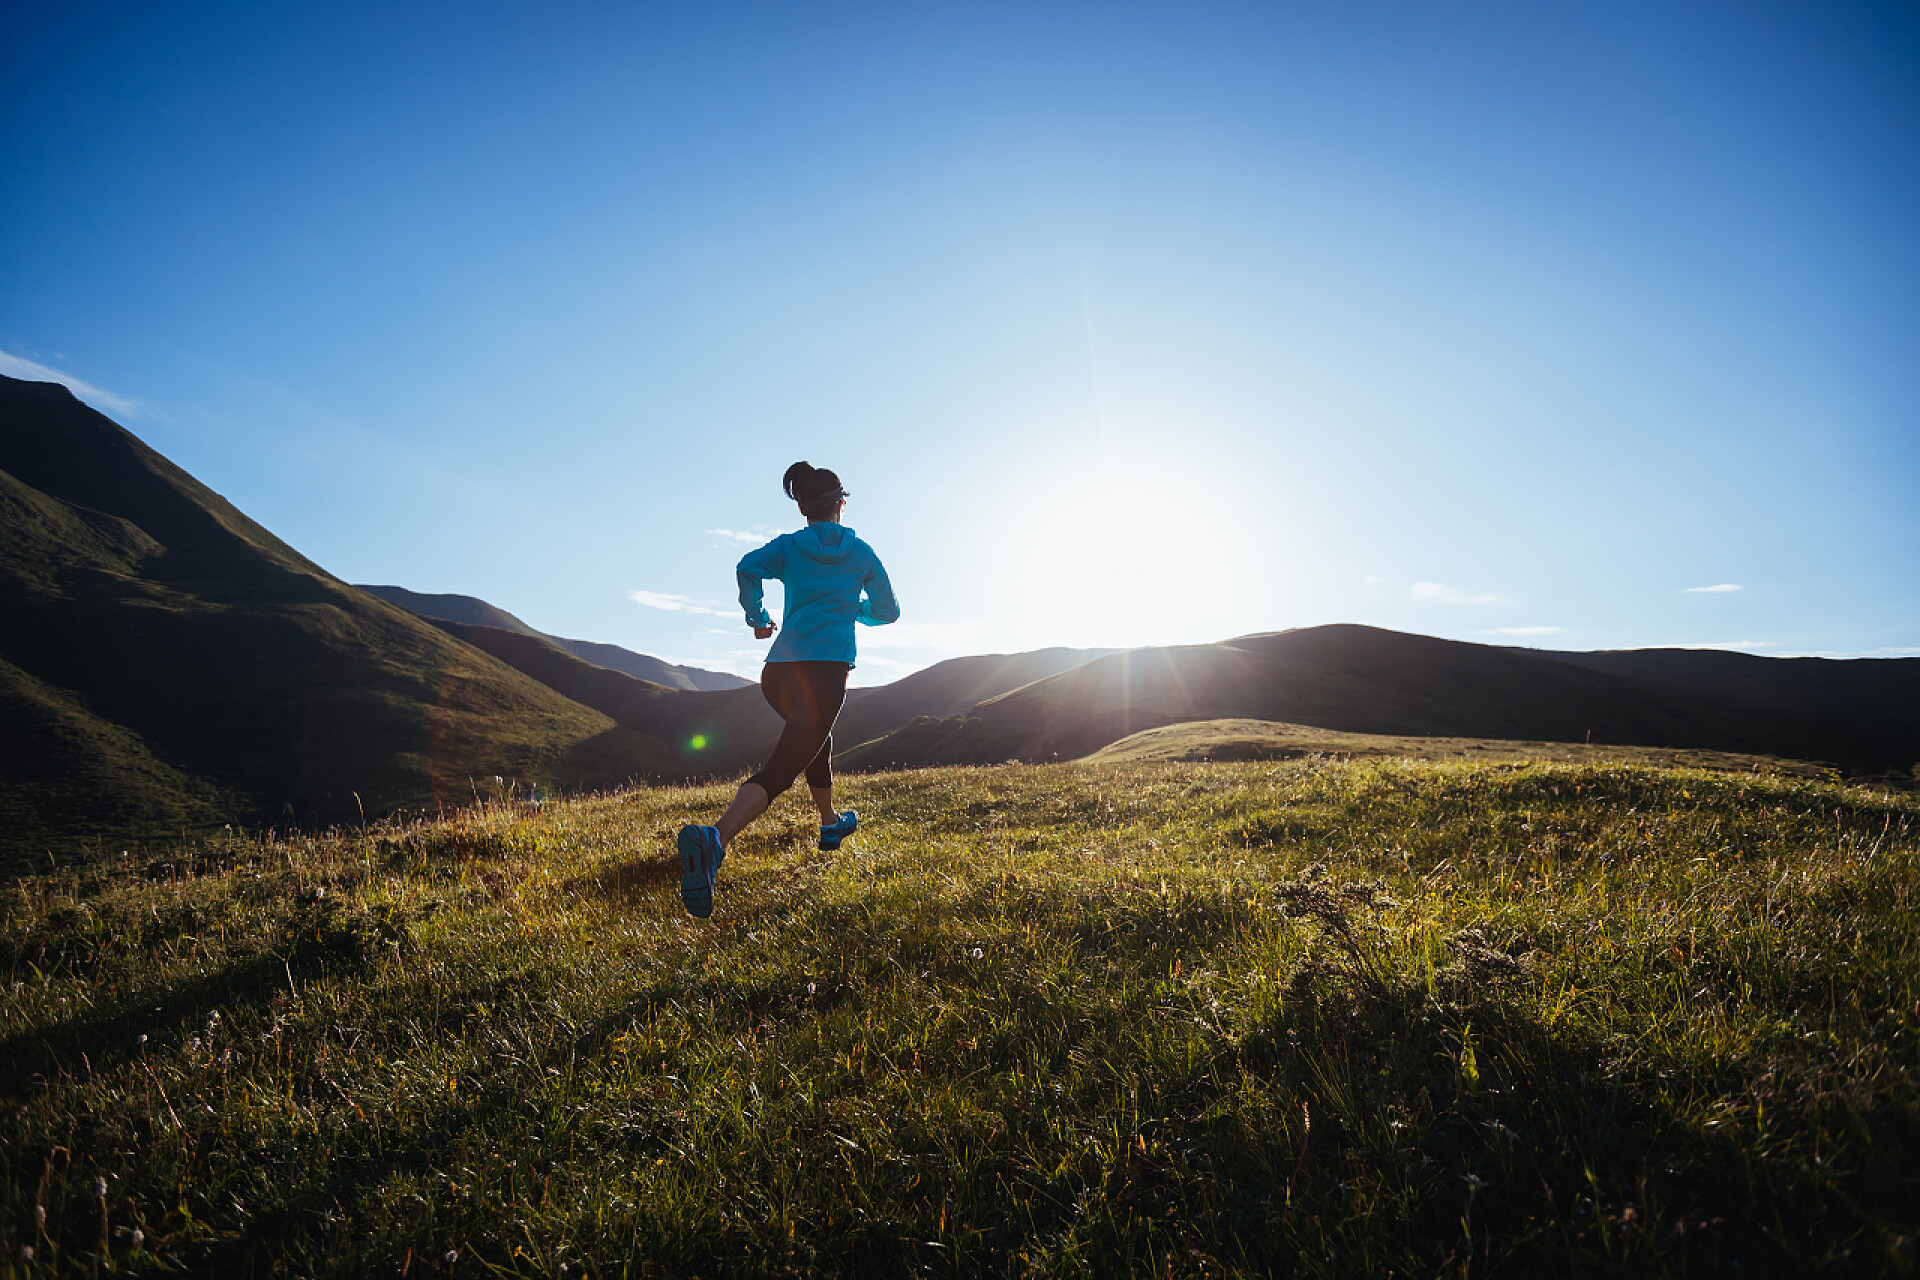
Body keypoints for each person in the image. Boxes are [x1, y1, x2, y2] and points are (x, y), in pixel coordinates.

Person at [677, 461, 900, 917]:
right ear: (841, 503)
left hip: (778, 673)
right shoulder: (863, 555)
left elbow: (746, 568)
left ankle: (829, 824)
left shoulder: (789, 547)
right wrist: (852, 607)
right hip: (825, 673)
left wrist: (758, 618)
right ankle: (714, 839)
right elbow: (889, 611)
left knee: (813, 738)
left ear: (803, 509)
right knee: (782, 769)